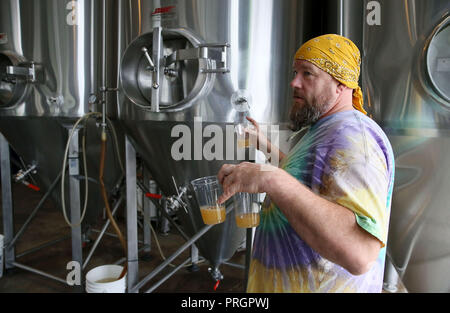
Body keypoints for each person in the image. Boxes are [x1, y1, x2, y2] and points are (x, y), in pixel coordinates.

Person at [217, 34, 395, 293]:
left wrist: (270, 178)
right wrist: (266, 147)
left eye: (308, 74)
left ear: (340, 83)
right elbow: (313, 182)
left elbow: (360, 254)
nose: (294, 82)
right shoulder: (326, 127)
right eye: (295, 72)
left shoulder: (354, 139)